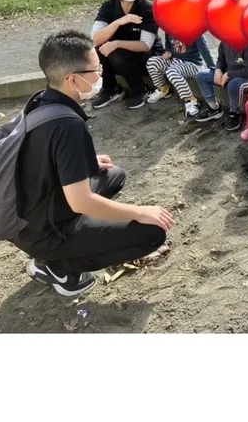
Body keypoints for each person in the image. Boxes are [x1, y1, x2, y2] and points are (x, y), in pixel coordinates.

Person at [12, 30, 175, 297]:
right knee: (152, 232)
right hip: (45, 232)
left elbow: (38, 158)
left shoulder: (42, 102)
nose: (100, 74)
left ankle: (66, 248)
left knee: (114, 174)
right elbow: (81, 202)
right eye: (96, 69)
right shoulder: (68, 125)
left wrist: (83, 162)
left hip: (27, 214)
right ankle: (59, 267)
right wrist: (138, 211)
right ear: (74, 79)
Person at [90, 0, 164, 110]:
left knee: (117, 53)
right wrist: (119, 22)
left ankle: (140, 90)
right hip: (119, 59)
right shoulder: (109, 6)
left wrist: (117, 43)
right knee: (99, 48)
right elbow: (94, 39)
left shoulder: (147, 8)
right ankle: (110, 88)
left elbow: (145, 45)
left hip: (147, 58)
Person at [146, 32, 214, 119]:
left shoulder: (194, 31)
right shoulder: (169, 28)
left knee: (171, 72)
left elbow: (205, 49)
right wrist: (168, 50)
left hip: (192, 64)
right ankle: (163, 89)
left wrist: (212, 67)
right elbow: (168, 41)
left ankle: (190, 100)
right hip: (175, 60)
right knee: (152, 62)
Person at [194, 40, 248, 132]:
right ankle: (214, 108)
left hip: (245, 78)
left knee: (233, 84)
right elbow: (220, 59)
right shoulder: (224, 42)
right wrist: (218, 70)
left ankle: (234, 113)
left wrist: (228, 75)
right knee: (201, 75)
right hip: (226, 75)